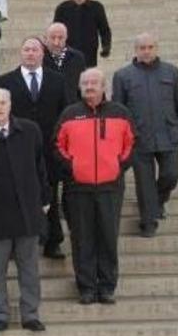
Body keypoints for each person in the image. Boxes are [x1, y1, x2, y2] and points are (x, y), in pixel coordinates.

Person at [54, 68, 135, 305]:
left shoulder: (120, 113)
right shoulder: (70, 114)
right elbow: (57, 144)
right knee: (82, 239)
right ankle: (87, 287)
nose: (89, 86)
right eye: (85, 83)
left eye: (94, 83)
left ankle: (107, 287)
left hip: (110, 187)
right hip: (78, 188)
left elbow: (132, 143)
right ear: (79, 87)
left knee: (108, 237)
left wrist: (118, 166)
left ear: (104, 87)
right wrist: (73, 167)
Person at [0, 88, 48, 332]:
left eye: (2, 102)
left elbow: (40, 167)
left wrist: (45, 199)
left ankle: (30, 314)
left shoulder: (29, 130)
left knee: (29, 269)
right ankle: (0, 315)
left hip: (27, 212)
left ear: (10, 104)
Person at [112, 33, 178, 237]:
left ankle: (157, 202)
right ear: (136, 50)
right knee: (144, 182)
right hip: (139, 138)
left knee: (172, 174)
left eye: (150, 47)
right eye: (142, 48)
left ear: (156, 48)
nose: (146, 51)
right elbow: (118, 112)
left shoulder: (171, 72)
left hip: (169, 134)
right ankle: (148, 222)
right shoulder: (123, 76)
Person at [0, 37, 70, 260]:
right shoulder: (6, 81)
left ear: (42, 53)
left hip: (50, 148)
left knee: (50, 194)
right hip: (17, 148)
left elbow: (65, 114)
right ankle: (15, 242)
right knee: (16, 195)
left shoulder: (58, 80)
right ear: (21, 53)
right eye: (27, 49)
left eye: (35, 49)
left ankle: (53, 240)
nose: (30, 53)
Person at [53, 0, 112, 67]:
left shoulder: (97, 7)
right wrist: (55, 47)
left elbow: (104, 30)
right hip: (68, 51)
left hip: (89, 52)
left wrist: (106, 47)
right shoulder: (62, 8)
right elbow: (55, 30)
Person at [43, 22, 87, 103]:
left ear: (66, 38)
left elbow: (83, 86)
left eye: (60, 38)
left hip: (71, 108)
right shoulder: (39, 58)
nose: (56, 42)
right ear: (45, 39)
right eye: (53, 38)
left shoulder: (77, 58)